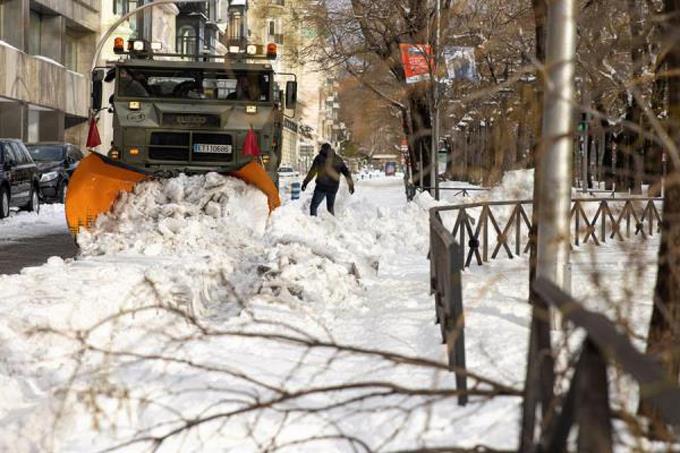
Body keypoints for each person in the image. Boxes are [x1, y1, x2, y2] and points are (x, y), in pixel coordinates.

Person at [301, 143, 355, 216]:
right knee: (330, 207)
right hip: (333, 187)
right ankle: (332, 224)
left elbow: (312, 172)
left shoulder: (319, 158)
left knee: (313, 206)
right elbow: (346, 172)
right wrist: (351, 185)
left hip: (321, 186)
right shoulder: (337, 159)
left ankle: (313, 223)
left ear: (322, 149)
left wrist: (305, 183)